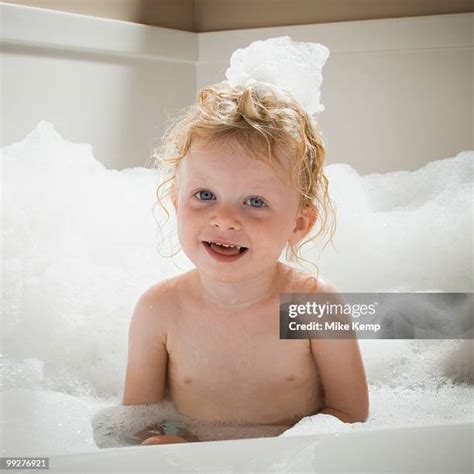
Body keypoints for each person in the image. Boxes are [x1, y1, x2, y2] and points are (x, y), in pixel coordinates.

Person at [122, 37, 368, 445]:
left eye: (255, 201)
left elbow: (351, 415)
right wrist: (159, 444)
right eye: (204, 196)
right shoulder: (159, 310)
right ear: (175, 201)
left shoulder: (313, 306)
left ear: (299, 224)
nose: (224, 219)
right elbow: (136, 424)